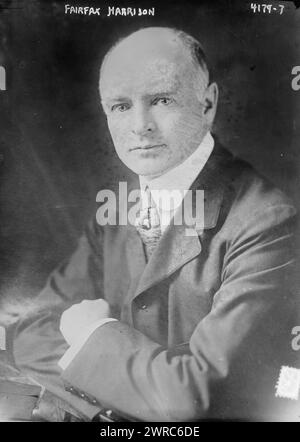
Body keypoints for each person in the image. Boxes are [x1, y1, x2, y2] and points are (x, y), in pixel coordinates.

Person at [12, 27, 297, 422]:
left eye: (161, 100)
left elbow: (195, 398)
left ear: (208, 103)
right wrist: (126, 402)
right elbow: (30, 333)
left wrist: (92, 336)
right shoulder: (117, 206)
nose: (139, 126)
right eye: (120, 106)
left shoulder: (268, 222)